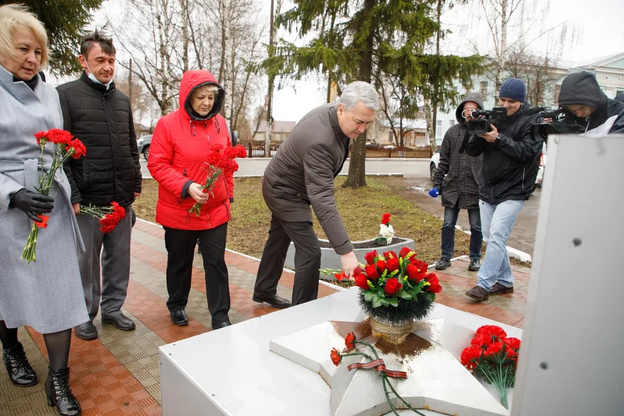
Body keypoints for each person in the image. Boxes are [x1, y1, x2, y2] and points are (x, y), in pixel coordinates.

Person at [0, 4, 86, 415]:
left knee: (60, 292)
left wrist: (71, 184)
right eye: (23, 49)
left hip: (51, 203)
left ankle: (58, 379)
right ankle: (12, 349)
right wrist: (12, 194)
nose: (33, 59)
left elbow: (59, 146)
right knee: (7, 292)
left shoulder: (48, 91)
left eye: (38, 51)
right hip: (6, 210)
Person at [253, 81, 378, 307]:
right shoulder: (321, 141)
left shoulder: (334, 115)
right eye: (359, 122)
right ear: (341, 109)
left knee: (278, 239)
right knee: (310, 252)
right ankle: (303, 314)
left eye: (368, 123)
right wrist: (346, 251)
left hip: (287, 184)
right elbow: (322, 198)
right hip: (285, 193)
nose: (362, 130)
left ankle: (264, 290)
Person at [58, 31, 141, 340]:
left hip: (120, 199)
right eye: (100, 60)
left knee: (119, 259)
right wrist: (74, 194)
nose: (107, 67)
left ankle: (113, 309)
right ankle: (83, 314)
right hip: (88, 201)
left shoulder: (121, 100)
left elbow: (131, 145)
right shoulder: (65, 95)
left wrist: (134, 184)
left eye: (111, 61)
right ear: (83, 61)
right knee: (86, 262)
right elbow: (61, 150)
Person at [147, 70, 233, 329]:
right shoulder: (167, 124)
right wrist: (186, 186)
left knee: (216, 263)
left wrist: (228, 193)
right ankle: (176, 304)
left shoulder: (221, 123)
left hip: (215, 210)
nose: (206, 102)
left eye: (210, 97)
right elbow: (157, 164)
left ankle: (220, 315)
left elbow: (227, 162)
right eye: (200, 97)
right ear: (187, 97)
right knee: (179, 262)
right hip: (180, 210)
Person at [464, 78, 543, 302]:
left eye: (512, 101)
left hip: (514, 189)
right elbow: (472, 151)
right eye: (502, 99)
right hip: (488, 186)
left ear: (521, 102)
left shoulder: (531, 120)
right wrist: (476, 130)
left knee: (498, 234)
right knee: (492, 237)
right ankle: (506, 281)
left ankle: (483, 284)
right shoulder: (491, 116)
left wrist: (497, 138)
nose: (506, 105)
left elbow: (527, 152)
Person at [430, 92, 484, 272]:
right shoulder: (452, 133)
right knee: (447, 224)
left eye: (473, 109)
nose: (469, 112)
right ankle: (445, 256)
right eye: (466, 109)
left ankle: (475, 258)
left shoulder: (484, 133)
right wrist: (437, 184)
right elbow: (443, 160)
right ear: (461, 111)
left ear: (479, 111)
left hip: (476, 187)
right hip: (453, 187)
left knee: (476, 226)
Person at [558, 71, 624, 135]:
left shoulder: (619, 114)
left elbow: (613, 144)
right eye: (573, 111)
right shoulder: (571, 118)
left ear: (593, 101)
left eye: (581, 108)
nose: (579, 114)